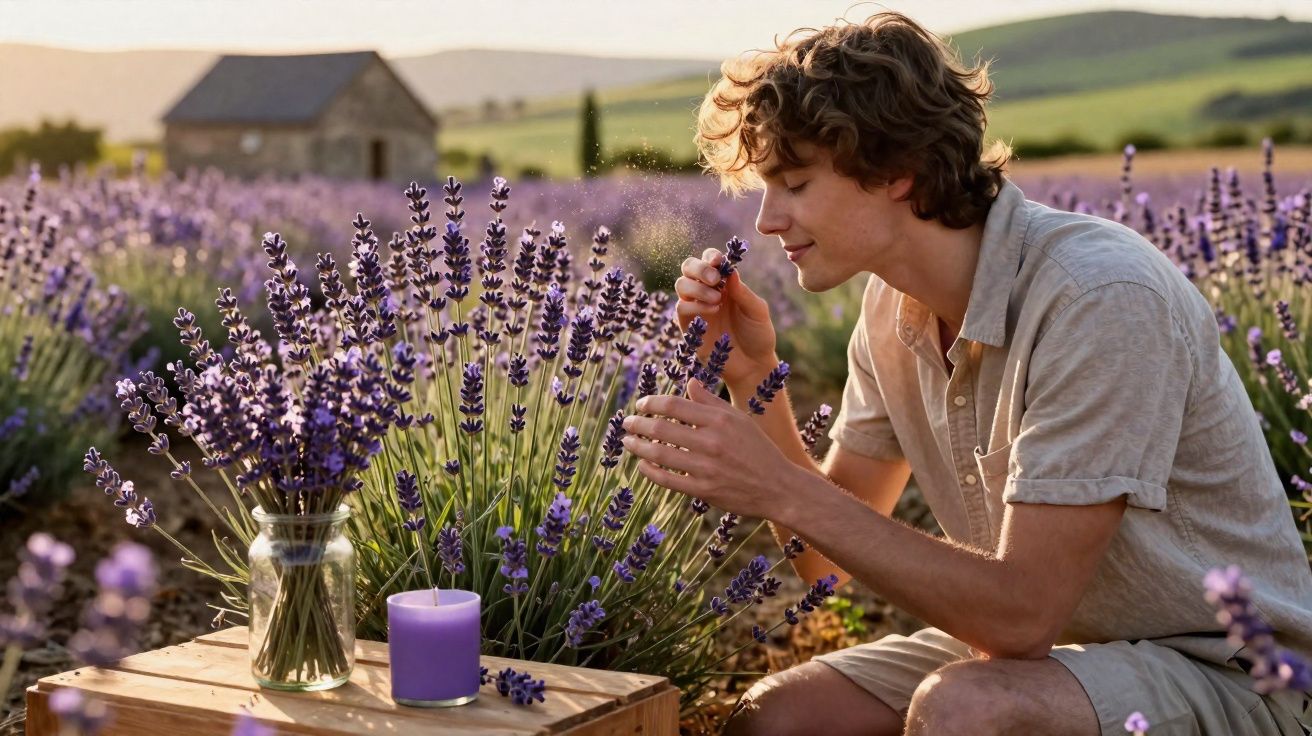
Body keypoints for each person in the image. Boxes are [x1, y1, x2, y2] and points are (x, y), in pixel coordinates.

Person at [616, 11, 1312, 735]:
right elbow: (824, 565)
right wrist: (753, 377)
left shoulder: (1098, 298)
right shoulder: (889, 308)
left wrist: (778, 484)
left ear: (897, 170)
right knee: (778, 717)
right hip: (1057, 652)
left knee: (966, 710)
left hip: (1233, 671)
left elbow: (1020, 616)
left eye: (793, 183)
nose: (765, 220)